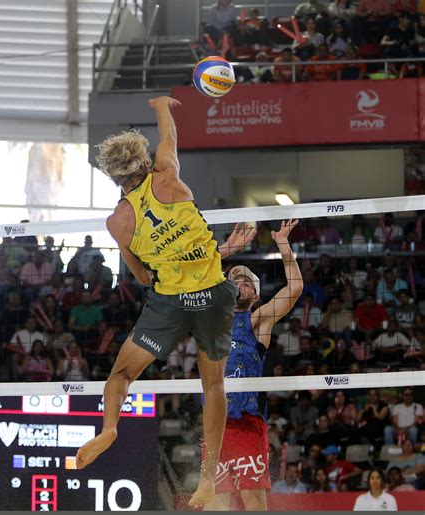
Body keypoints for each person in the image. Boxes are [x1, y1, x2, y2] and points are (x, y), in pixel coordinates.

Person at [75, 96, 256, 509]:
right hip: (212, 296)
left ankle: (109, 429)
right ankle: (208, 480)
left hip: (170, 303)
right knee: (213, 386)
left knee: (120, 375)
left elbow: (140, 276)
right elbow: (169, 138)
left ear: (112, 176)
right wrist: (161, 107)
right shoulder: (169, 175)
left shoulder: (117, 222)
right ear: (144, 161)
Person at [204, 220, 303, 511]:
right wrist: (225, 251)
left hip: (248, 423)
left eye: (247, 282)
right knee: (214, 503)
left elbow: (295, 287)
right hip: (215, 423)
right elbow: (186, 277)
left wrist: (283, 244)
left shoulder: (257, 320)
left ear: (256, 295)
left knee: (253, 499)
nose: (240, 283)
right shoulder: (208, 318)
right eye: (234, 279)